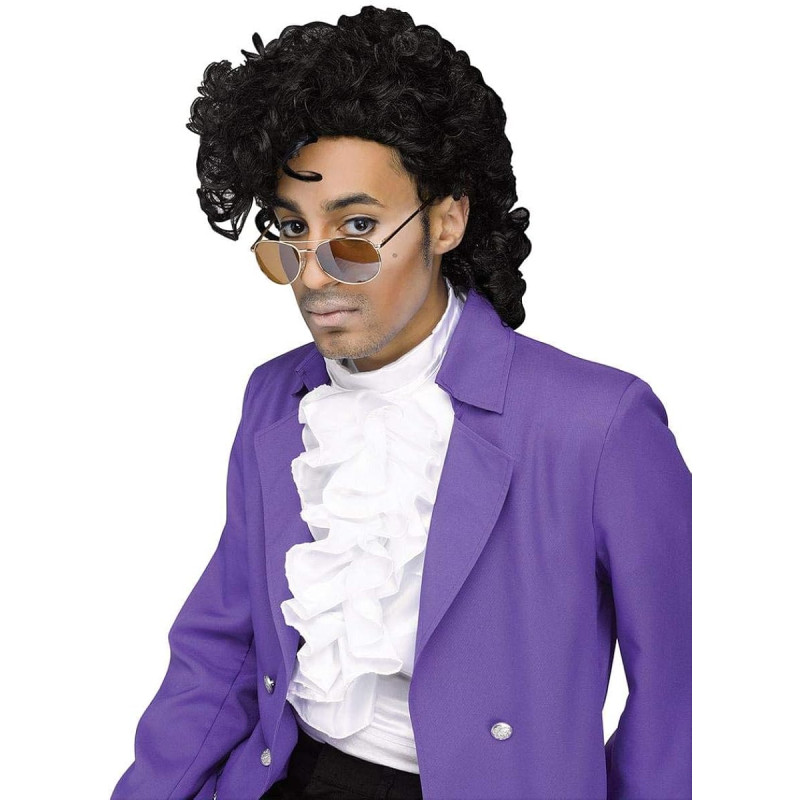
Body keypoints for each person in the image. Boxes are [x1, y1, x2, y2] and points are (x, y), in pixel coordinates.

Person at [111, 6, 691, 800]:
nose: (315, 274)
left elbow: (675, 702)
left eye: (356, 227)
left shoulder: (598, 424)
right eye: (290, 231)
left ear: (446, 220)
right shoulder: (274, 397)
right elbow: (224, 649)